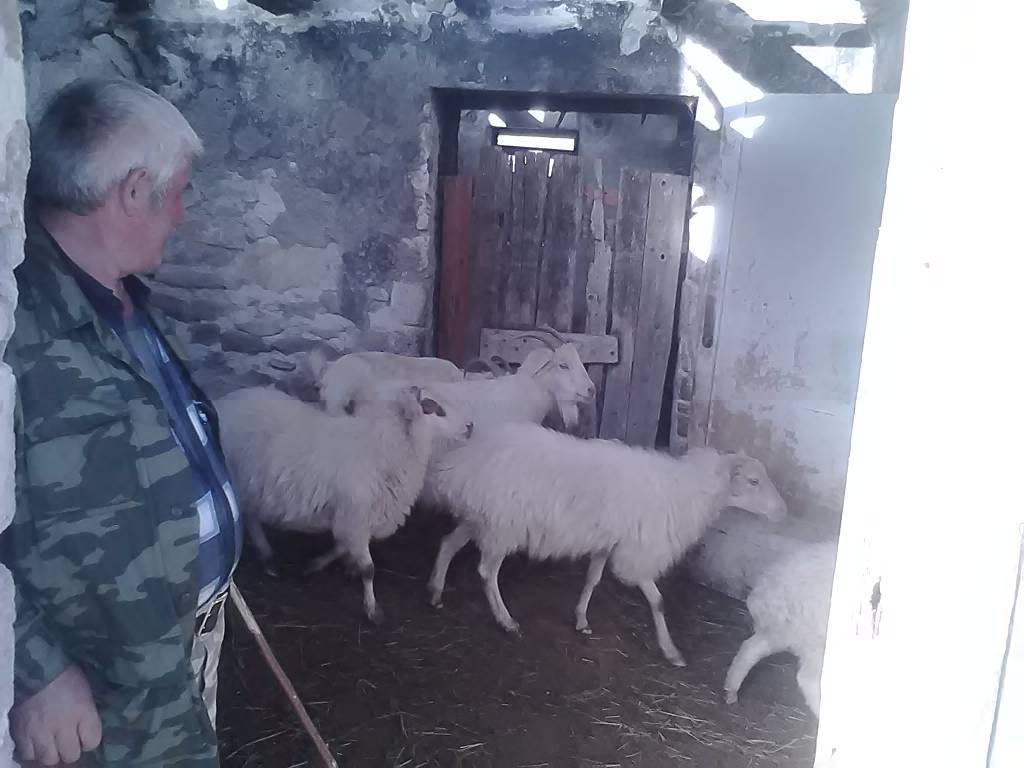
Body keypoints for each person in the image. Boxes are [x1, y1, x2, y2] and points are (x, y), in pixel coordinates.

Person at [2, 78, 242, 766]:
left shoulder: (122, 301)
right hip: (99, 695)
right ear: (135, 192)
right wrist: (31, 667)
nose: (182, 215)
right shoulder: (17, 324)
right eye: (180, 193)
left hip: (173, 652)